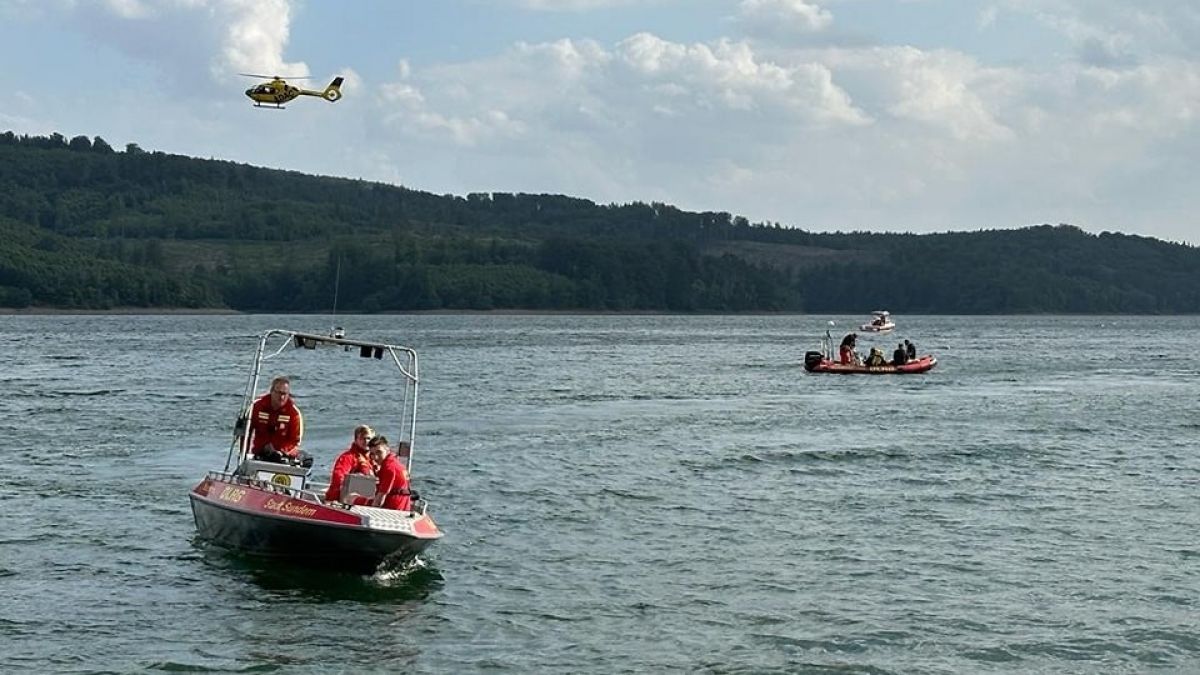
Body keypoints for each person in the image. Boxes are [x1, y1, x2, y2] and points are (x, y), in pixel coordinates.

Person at [248, 375, 304, 464]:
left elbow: (295, 441)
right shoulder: (257, 407)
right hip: (261, 452)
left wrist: (282, 452)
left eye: (284, 394)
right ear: (271, 391)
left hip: (283, 454)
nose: (281, 397)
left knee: (306, 459)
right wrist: (244, 454)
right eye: (279, 393)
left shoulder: (293, 413)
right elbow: (246, 432)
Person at [324, 424, 376, 503]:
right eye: (362, 438)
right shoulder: (348, 457)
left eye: (368, 438)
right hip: (342, 499)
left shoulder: (373, 459)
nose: (366, 441)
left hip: (364, 497)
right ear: (356, 440)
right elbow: (338, 477)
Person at [368, 436, 412, 511]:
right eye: (372, 454)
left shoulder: (388, 468)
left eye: (379, 452)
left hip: (392, 509)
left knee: (352, 498)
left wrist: (370, 511)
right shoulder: (398, 464)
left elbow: (379, 500)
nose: (375, 457)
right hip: (404, 506)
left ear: (387, 450)